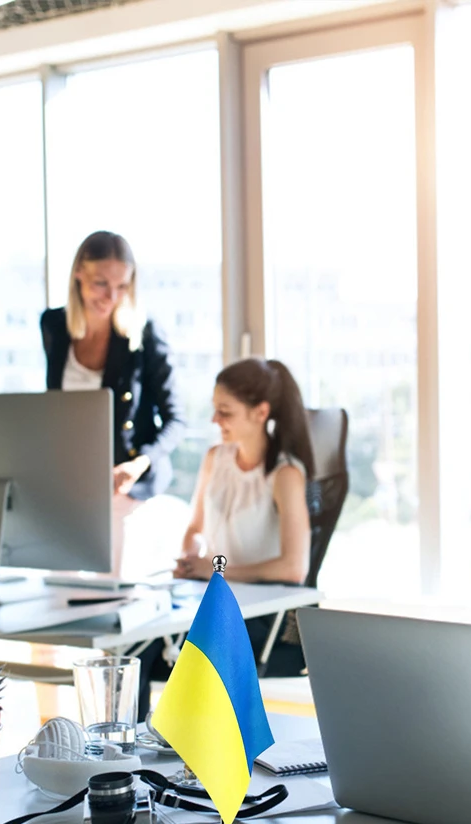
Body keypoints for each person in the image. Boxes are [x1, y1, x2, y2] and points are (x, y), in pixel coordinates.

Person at [139, 358, 315, 717]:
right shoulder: (215, 458)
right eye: (214, 410)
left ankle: (187, 756)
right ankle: (126, 757)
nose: (214, 421)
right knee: (134, 645)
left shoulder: (284, 475)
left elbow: (294, 568)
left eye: (225, 412)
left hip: (264, 614)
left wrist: (215, 571)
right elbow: (194, 528)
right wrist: (190, 560)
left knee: (199, 651)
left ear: (260, 412)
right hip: (211, 596)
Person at [41, 231, 185, 573]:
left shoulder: (143, 334)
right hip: (72, 478)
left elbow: (176, 420)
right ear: (78, 273)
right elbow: (53, 409)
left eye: (122, 286)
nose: (112, 296)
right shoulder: (55, 326)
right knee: (58, 584)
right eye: (101, 283)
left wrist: (139, 464)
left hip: (126, 481)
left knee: (110, 588)